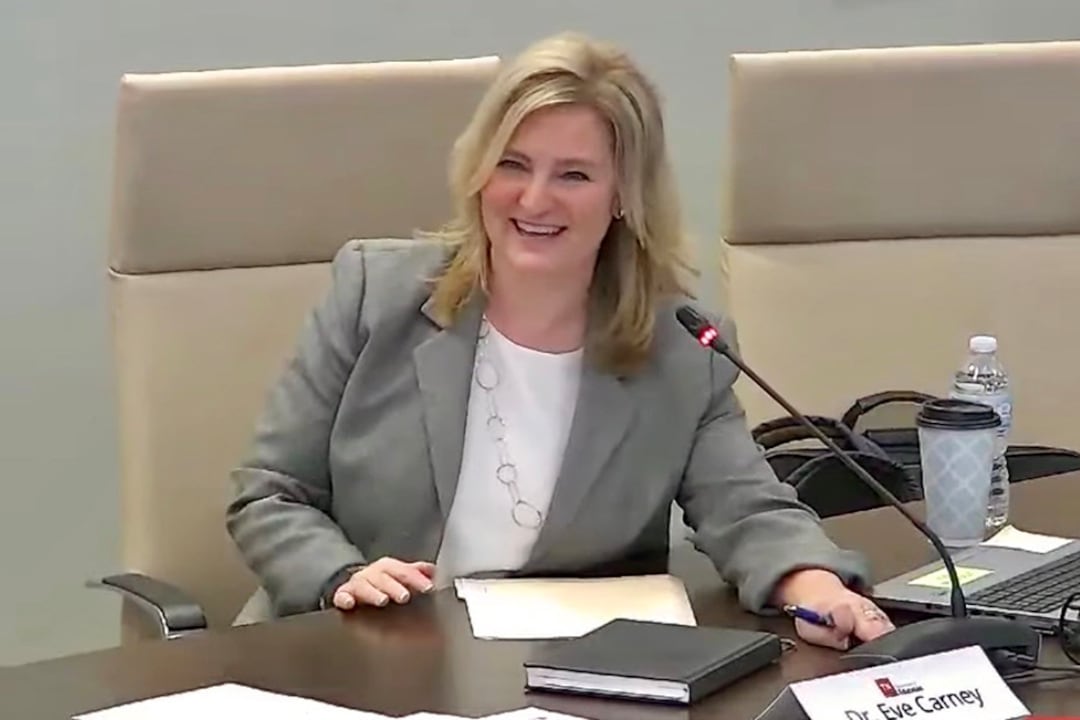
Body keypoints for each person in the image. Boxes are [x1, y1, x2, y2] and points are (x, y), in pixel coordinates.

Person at [225, 31, 895, 651]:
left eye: (574, 175)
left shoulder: (679, 348)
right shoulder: (376, 293)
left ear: (623, 196)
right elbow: (271, 493)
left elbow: (746, 508)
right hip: (348, 660)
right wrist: (340, 574)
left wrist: (814, 584)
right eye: (513, 165)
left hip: (555, 678)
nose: (534, 200)